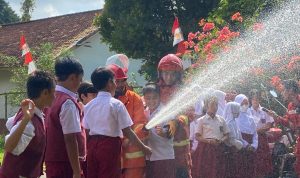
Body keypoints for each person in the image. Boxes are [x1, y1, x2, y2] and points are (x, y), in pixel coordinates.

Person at [83, 67, 151, 178]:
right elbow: (127, 131)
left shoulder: (89, 106)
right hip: (109, 146)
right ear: (110, 83)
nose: (117, 84)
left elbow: (86, 130)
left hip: (92, 146)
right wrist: (144, 148)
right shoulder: (116, 104)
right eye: (115, 81)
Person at [0, 71, 55, 178]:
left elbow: (10, 124)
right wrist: (25, 120)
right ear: (45, 93)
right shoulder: (29, 121)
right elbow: (9, 147)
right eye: (54, 92)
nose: (55, 96)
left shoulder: (33, 114)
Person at [45, 57, 86, 178]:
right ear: (73, 77)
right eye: (80, 79)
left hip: (53, 160)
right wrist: (77, 171)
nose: (80, 83)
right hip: (66, 163)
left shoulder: (51, 97)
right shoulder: (67, 103)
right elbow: (70, 138)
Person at [107, 62, 148, 178]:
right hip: (112, 157)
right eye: (117, 81)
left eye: (122, 80)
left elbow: (140, 123)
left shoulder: (135, 98)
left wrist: (127, 140)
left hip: (133, 158)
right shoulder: (104, 99)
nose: (120, 84)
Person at [157, 54, 192, 178]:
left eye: (172, 74)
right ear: (160, 74)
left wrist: (176, 122)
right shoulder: (155, 90)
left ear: (178, 75)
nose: (169, 77)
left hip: (180, 147)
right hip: (159, 146)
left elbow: (189, 114)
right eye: (165, 73)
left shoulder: (184, 92)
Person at [142, 83, 176, 178]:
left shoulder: (166, 111)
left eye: (154, 98)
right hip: (149, 158)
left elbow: (171, 132)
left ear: (159, 97)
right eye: (148, 98)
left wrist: (163, 133)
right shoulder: (144, 111)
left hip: (164, 158)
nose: (151, 101)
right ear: (144, 98)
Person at [192, 94, 229, 178]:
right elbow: (197, 136)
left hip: (218, 147)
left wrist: (221, 140)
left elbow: (227, 134)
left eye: (216, 104)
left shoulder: (221, 119)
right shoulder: (201, 120)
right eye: (212, 104)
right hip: (206, 149)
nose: (215, 107)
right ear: (206, 106)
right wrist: (209, 141)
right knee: (206, 170)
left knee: (218, 170)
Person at [269, 79, 300, 175]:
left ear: (290, 90)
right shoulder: (290, 106)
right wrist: (276, 117)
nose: (282, 93)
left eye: (283, 90)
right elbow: (289, 123)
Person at [248, 89, 273, 177]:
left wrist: (257, 130)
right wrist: (258, 130)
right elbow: (247, 128)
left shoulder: (264, 111)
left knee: (263, 161)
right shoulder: (247, 112)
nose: (256, 101)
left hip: (262, 139)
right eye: (254, 99)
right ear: (251, 100)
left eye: (257, 99)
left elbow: (269, 125)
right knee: (254, 161)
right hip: (252, 140)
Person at [234, 94, 258, 178]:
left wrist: (254, 145)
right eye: (242, 103)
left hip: (251, 147)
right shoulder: (235, 117)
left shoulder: (250, 117)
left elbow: (255, 133)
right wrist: (246, 145)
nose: (245, 105)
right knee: (241, 169)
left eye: (246, 103)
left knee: (251, 169)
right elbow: (236, 134)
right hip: (240, 147)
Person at [222, 102, 244, 178]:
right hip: (231, 150)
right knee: (232, 170)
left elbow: (238, 135)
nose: (239, 112)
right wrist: (240, 144)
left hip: (236, 150)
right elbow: (231, 139)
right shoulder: (229, 123)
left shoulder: (234, 121)